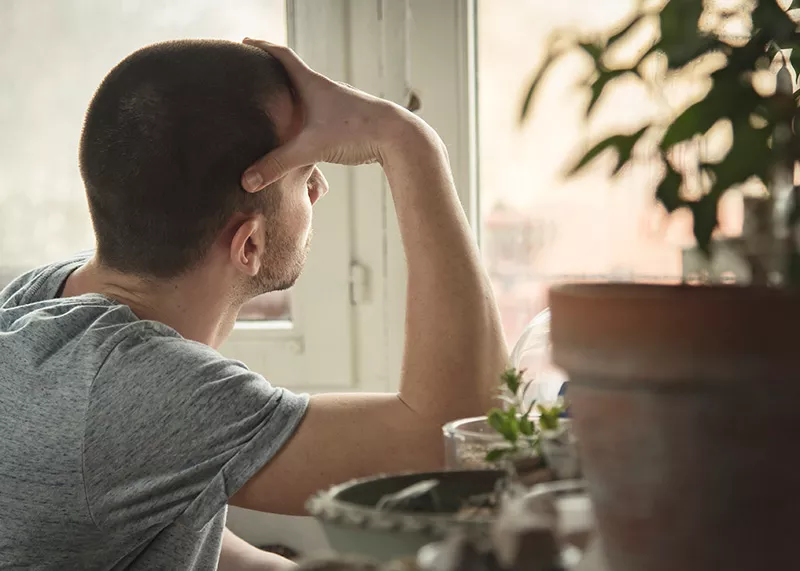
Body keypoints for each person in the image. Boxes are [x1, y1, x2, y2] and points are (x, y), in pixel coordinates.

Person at [0, 38, 506, 570]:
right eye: (305, 174)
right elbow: (458, 437)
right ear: (249, 245)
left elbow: (159, 514)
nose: (320, 190)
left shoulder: (45, 301)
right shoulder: (139, 390)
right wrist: (409, 142)